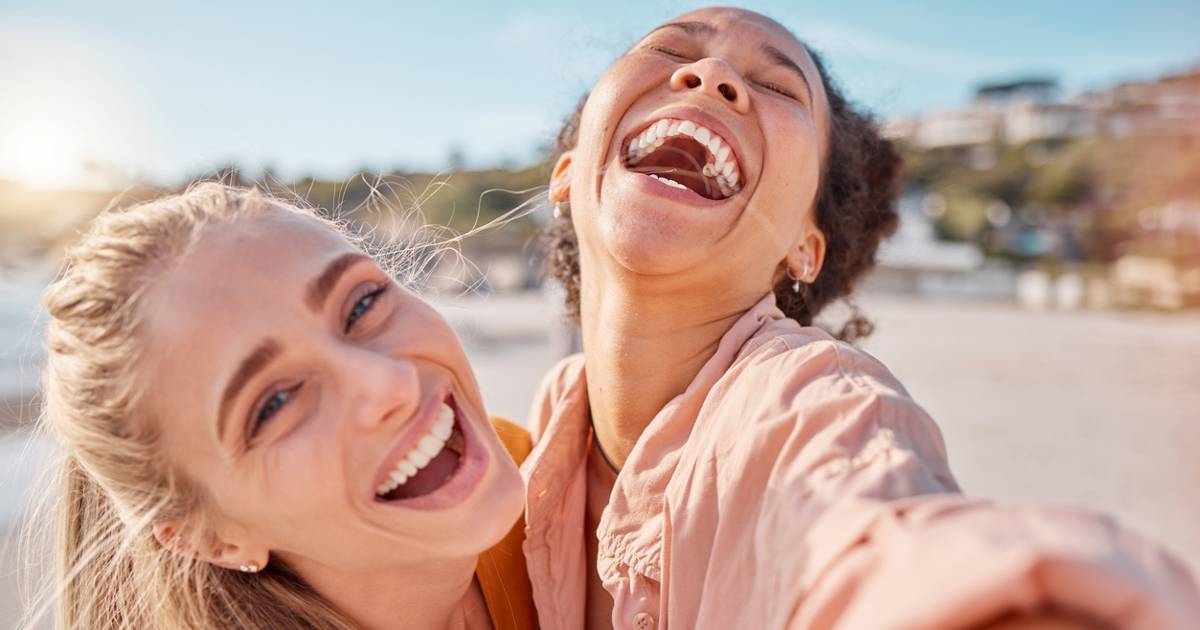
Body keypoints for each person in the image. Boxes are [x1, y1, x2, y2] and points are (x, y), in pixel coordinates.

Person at [526, 7, 1200, 630]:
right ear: (566, 173)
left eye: (780, 88)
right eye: (670, 49)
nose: (714, 75)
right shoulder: (524, 447)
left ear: (805, 246)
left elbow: (883, 537)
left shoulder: (813, 402)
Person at [36, 183, 537, 630]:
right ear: (214, 539)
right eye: (274, 403)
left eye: (361, 304)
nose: (392, 383)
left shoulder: (542, 470)